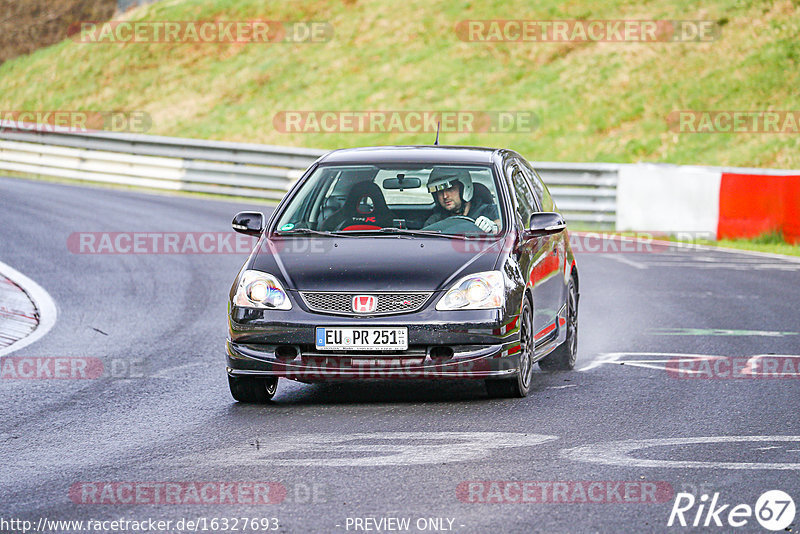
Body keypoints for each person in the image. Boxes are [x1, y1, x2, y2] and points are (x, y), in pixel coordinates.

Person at [424, 167, 500, 232]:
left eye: (450, 189)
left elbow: (505, 226)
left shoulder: (490, 211)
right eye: (440, 192)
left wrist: (494, 226)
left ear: (464, 188)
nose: (445, 196)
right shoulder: (435, 221)